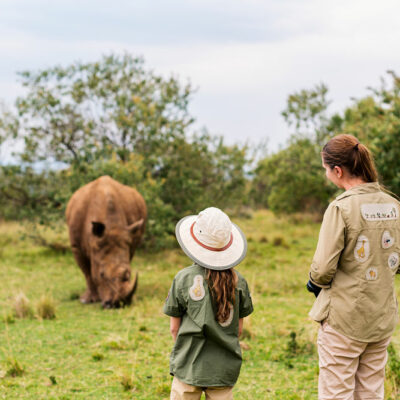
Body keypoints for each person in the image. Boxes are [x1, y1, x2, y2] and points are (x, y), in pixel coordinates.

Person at [307, 134, 400, 400]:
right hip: (381, 318)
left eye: (326, 168)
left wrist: (314, 281)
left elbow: (323, 269)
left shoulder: (341, 208)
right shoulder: (394, 205)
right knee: (371, 392)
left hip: (344, 319)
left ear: (337, 170)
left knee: (337, 393)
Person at [164, 207, 253, 400]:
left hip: (188, 367)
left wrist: (185, 355)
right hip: (223, 370)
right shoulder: (240, 282)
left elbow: (174, 329)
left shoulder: (182, 278)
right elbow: (237, 331)